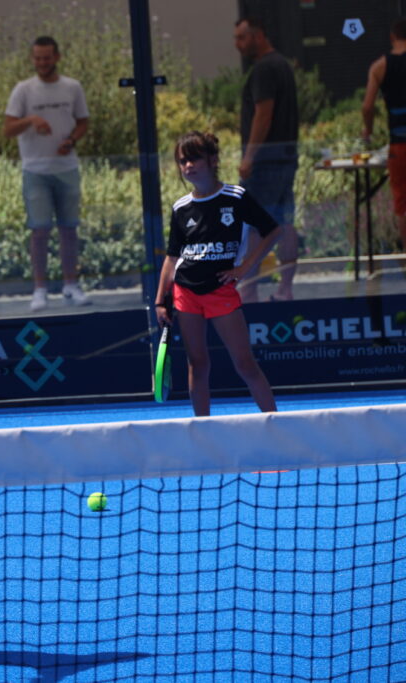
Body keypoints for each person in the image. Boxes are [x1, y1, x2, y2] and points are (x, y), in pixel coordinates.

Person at [155, 131, 278, 417]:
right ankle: (203, 434)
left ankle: (276, 428)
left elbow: (272, 231)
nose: (188, 165)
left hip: (220, 291)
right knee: (198, 365)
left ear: (212, 160)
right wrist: (161, 301)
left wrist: (244, 268)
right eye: (182, 161)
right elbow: (173, 258)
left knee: (245, 363)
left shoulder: (236, 197)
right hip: (185, 293)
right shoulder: (180, 208)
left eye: (194, 158)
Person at [3, 35, 91, 311]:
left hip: (67, 168)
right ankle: (39, 289)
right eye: (37, 58)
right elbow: (7, 129)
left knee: (69, 229)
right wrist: (30, 120)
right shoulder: (23, 90)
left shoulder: (72, 87)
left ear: (57, 57)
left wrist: (71, 140)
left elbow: (83, 121)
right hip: (35, 170)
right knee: (39, 231)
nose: (42, 63)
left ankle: (71, 285)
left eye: (46, 57)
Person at [234, 17, 300, 302]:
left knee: (253, 225)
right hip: (284, 157)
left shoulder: (263, 69)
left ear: (259, 35)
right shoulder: (282, 65)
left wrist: (249, 157)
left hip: (266, 161)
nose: (238, 44)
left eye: (242, 38)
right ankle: (285, 289)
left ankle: (249, 290)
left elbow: (264, 114)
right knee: (285, 223)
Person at [362, 17, 406, 251]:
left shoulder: (380, 66)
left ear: (392, 37)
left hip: (399, 145)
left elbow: (367, 106)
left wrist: (368, 129)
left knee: (401, 203)